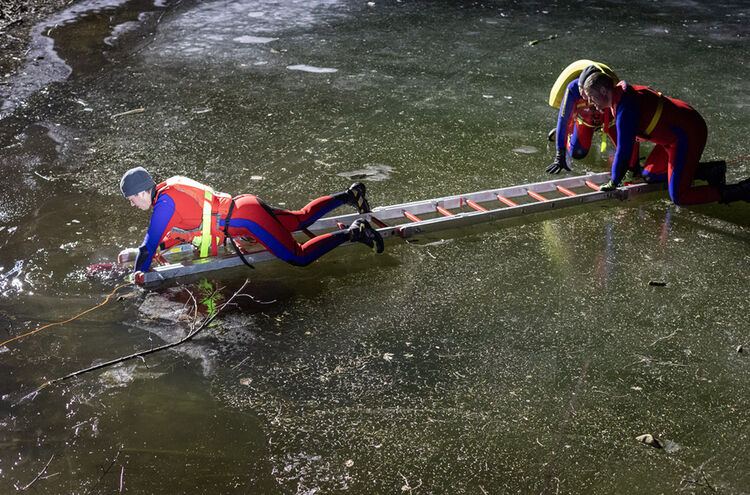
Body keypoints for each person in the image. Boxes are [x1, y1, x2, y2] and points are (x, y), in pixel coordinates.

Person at [120, 167, 384, 275]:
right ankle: (350, 195)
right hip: (245, 205)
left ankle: (354, 233)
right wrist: (159, 250)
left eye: (131, 198)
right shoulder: (169, 191)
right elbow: (180, 231)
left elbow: (147, 246)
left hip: (246, 220)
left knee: (298, 257)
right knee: (298, 220)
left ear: (143, 191)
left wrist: (138, 278)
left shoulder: (164, 205)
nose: (132, 204)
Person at [583, 71, 750, 204]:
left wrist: (614, 181)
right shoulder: (619, 97)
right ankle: (710, 171)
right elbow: (627, 144)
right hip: (669, 138)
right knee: (650, 176)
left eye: (592, 97)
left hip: (687, 133)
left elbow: (624, 150)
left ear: (604, 90)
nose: (591, 102)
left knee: (680, 197)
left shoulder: (625, 107)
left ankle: (742, 189)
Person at [547, 61, 667, 183]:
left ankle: (632, 163)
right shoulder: (573, 90)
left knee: (630, 160)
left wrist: (633, 164)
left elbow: (630, 132)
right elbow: (563, 119)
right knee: (578, 153)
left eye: (591, 96)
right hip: (586, 121)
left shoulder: (610, 89)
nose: (589, 100)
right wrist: (560, 153)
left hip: (610, 121)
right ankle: (570, 133)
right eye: (584, 95)